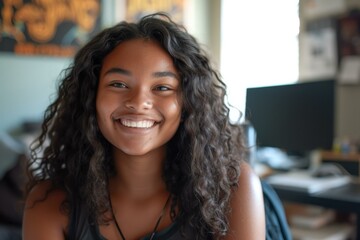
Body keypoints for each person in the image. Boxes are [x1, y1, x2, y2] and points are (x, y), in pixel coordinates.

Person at [22, 13, 265, 240]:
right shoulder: (49, 204)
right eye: (118, 84)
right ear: (91, 96)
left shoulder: (234, 190)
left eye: (162, 87)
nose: (138, 103)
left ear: (188, 103)